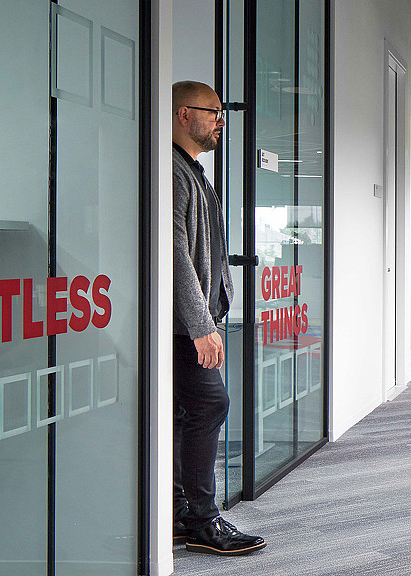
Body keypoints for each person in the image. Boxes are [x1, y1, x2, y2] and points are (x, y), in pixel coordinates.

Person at [172, 80, 265, 555]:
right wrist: (201, 326)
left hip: (189, 322)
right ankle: (202, 520)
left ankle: (175, 509)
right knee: (211, 405)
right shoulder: (170, 171)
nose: (221, 120)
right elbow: (175, 258)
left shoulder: (192, 171)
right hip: (181, 327)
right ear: (184, 115)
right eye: (214, 112)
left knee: (183, 411)